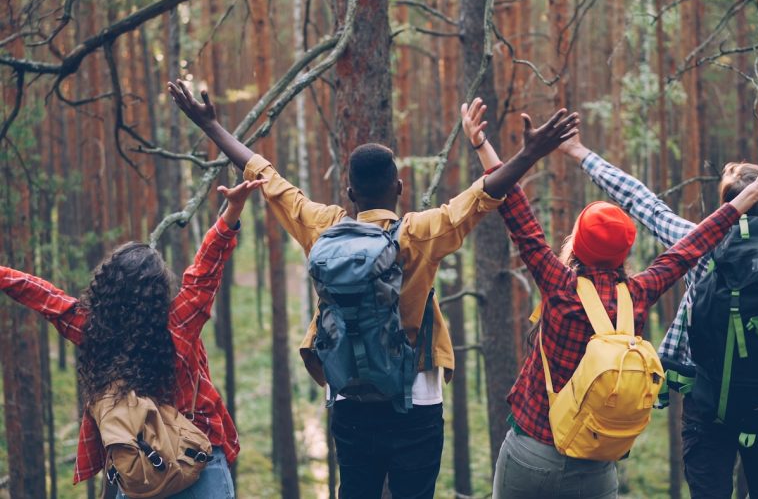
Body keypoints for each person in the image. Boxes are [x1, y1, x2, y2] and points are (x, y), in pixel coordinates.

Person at [167, 80, 579, 499]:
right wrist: (530, 153)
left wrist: (213, 127)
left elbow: (265, 176)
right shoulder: (418, 233)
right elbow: (483, 195)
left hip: (348, 394)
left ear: (350, 193)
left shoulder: (322, 226)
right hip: (416, 399)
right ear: (398, 188)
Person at [461, 99, 758, 499]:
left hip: (531, 451)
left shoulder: (559, 286)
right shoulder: (639, 294)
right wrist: (744, 201)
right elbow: (696, 244)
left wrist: (482, 144)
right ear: (624, 253)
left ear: (577, 243)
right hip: (595, 465)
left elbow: (517, 212)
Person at [561, 134, 758, 497]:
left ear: (727, 204)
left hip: (707, 410)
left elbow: (641, 201)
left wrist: (580, 153)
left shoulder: (700, 242)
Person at [0, 178, 264, 498]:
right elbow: (205, 270)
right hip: (199, 458)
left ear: (106, 288)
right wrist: (233, 208)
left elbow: (45, 297)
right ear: (157, 289)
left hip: (142, 470)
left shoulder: (93, 330)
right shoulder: (178, 325)